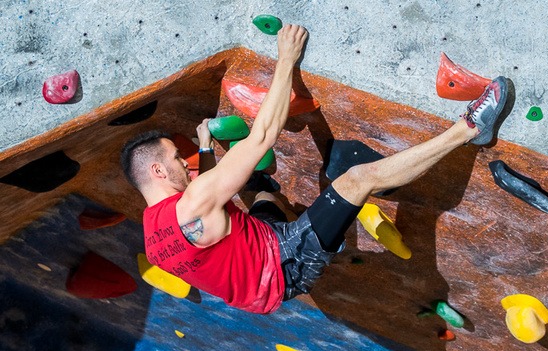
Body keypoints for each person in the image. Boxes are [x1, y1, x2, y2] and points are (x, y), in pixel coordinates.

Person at [120, 24, 509, 314]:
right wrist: (287, 59)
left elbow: (200, 207)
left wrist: (206, 148)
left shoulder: (154, 241)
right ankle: (471, 128)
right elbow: (262, 136)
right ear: (157, 171)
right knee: (357, 180)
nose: (186, 166)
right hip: (284, 264)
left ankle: (320, 227)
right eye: (177, 159)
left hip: (258, 259)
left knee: (262, 192)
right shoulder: (194, 203)